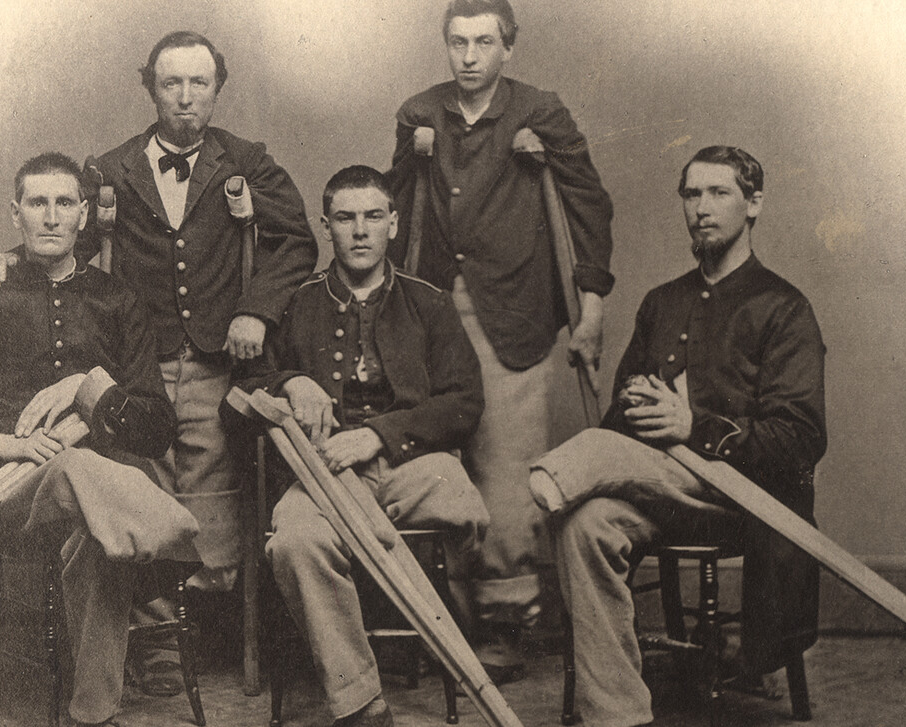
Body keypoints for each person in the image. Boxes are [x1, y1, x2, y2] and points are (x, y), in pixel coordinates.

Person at [0, 31, 318, 693]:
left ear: (217, 86)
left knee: (213, 490)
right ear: (150, 88)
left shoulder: (247, 159)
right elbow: (62, 230)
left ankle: (212, 628)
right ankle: (160, 642)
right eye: (172, 84)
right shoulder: (111, 167)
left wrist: (257, 309)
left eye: (199, 83)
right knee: (144, 489)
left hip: (220, 359)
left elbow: (295, 242)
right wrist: (9, 258)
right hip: (138, 361)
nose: (186, 98)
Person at [529, 146, 826, 727]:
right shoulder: (662, 302)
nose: (702, 209)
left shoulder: (784, 307)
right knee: (585, 525)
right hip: (664, 495)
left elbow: (801, 438)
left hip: (745, 502)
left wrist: (693, 425)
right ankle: (617, 713)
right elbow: (621, 412)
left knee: (595, 456)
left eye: (719, 193)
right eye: (692, 194)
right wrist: (641, 412)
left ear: (754, 204)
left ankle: (555, 473)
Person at [0, 153, 201, 727]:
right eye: (37, 203)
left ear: (84, 214)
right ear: (16, 214)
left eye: (65, 203)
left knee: (91, 518)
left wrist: (88, 387)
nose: (51, 216)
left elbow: (156, 426)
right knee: (73, 469)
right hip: (11, 497)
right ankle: (175, 536)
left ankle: (92, 715)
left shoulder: (118, 302)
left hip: (98, 507)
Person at [387, 0, 616, 677]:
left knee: (506, 465)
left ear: (507, 48)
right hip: (426, 306)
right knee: (431, 454)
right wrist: (410, 160)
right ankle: (439, 614)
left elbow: (588, 203)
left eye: (484, 42)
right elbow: (386, 206)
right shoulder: (419, 112)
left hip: (511, 309)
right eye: (457, 42)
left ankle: (509, 618)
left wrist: (593, 307)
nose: (468, 56)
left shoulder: (539, 111)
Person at [234, 166, 489, 727]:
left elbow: (464, 402)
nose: (360, 230)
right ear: (326, 227)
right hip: (320, 474)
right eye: (345, 218)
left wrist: (378, 435)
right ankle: (360, 702)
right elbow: (247, 385)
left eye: (373, 216)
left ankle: (456, 625)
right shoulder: (296, 303)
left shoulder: (430, 302)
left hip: (411, 462)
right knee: (294, 542)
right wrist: (290, 381)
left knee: (464, 507)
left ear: (393, 224)